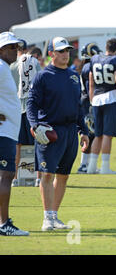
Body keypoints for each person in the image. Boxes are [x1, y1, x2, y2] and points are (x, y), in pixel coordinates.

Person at [27, 36, 89, 231]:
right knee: (47, 174)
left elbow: (77, 107)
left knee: (63, 176)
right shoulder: (43, 76)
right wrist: (35, 125)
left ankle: (54, 217)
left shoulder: (73, 76)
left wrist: (83, 131)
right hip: (50, 131)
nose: (65, 54)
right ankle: (47, 219)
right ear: (51, 53)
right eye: (61, 51)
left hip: (70, 131)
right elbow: (31, 103)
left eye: (67, 50)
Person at [0, 32, 29, 236]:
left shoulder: (4, 68)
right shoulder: (1, 67)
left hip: (7, 130)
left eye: (16, 47)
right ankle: (4, 224)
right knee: (6, 174)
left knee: (6, 175)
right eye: (11, 47)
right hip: (3, 131)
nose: (15, 51)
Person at [86, 38, 116, 174]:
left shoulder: (95, 59)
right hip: (111, 98)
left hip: (97, 99)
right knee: (107, 135)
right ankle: (104, 167)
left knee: (98, 135)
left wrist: (92, 100)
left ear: (106, 47)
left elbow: (91, 82)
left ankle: (91, 167)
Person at [9, 39, 42, 187]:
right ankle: (38, 178)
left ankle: (15, 178)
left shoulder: (10, 65)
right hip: (33, 107)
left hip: (17, 107)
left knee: (17, 145)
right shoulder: (33, 62)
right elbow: (42, 82)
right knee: (38, 142)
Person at [76, 42, 102, 174]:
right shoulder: (89, 67)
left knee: (89, 134)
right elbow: (89, 87)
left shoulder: (84, 67)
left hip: (84, 102)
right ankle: (84, 165)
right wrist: (93, 102)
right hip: (88, 103)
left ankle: (85, 164)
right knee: (90, 134)